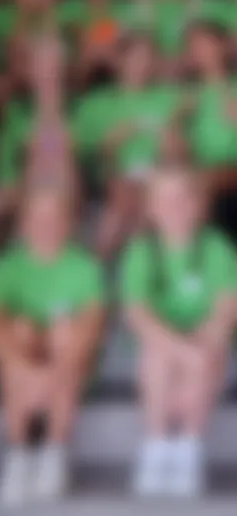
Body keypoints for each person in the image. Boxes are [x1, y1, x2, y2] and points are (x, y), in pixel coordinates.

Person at [0, 179, 106, 505]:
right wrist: (25, 369)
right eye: (37, 217)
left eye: (54, 218)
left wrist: (52, 374)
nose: (46, 226)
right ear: (23, 224)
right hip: (21, 363)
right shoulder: (4, 268)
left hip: (68, 362)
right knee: (19, 329)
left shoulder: (85, 267)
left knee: (67, 332)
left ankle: (53, 453)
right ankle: (18, 454)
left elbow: (90, 330)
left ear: (69, 223)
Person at [121, 165, 237, 498]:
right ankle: (157, 446)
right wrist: (184, 351)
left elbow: (227, 308)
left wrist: (201, 343)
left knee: (206, 356)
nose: (176, 207)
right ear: (151, 210)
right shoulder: (142, 250)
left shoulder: (217, 247)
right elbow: (137, 314)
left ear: (200, 206)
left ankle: (188, 448)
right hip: (159, 349)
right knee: (159, 357)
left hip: (208, 345)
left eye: (184, 199)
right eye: (166, 200)